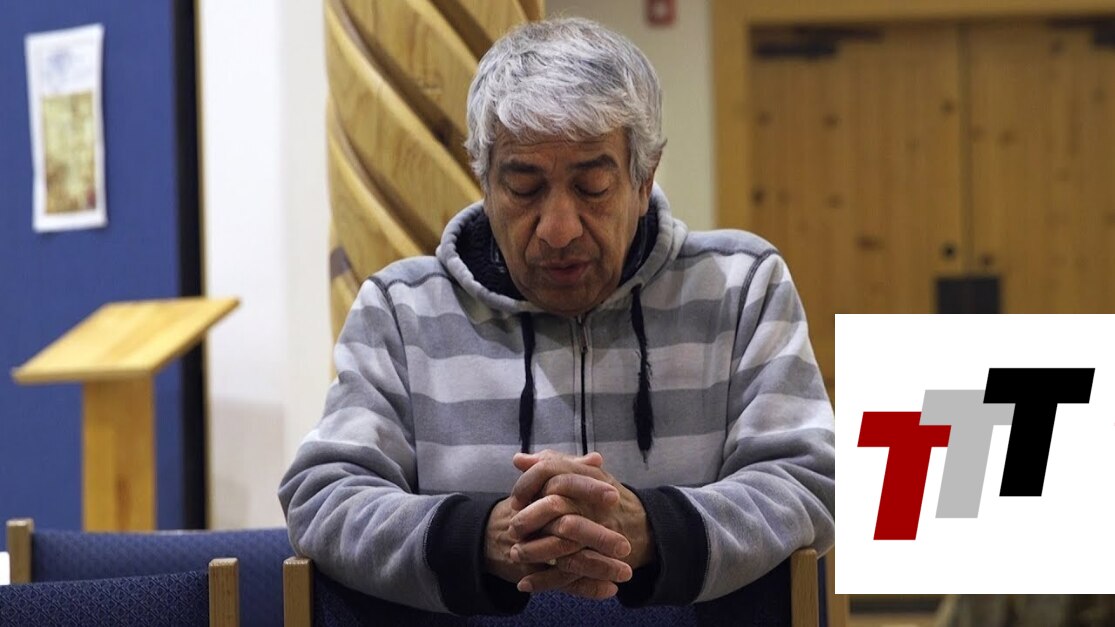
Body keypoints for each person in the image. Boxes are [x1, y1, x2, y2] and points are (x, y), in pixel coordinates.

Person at [279, 17, 834, 616]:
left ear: (644, 179)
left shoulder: (740, 285)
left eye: (592, 186)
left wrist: (649, 528)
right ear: (484, 181)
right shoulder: (401, 308)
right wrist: (485, 536)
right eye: (524, 188)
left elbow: (809, 480)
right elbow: (322, 496)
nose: (559, 228)